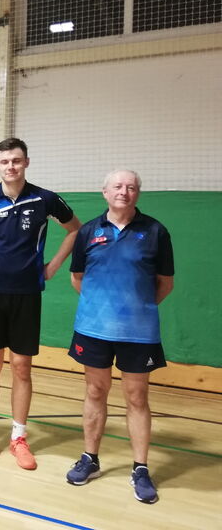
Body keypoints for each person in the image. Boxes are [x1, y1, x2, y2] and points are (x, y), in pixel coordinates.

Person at [0, 138, 80, 470]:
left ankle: (19, 437)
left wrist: (53, 266)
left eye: (16, 161)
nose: (11, 166)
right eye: (5, 161)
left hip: (27, 294)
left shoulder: (45, 199)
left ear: (26, 163)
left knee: (21, 367)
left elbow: (75, 230)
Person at [65, 170, 174, 504]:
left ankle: (140, 468)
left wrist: (135, 308)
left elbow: (165, 283)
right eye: (117, 186)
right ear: (105, 192)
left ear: (138, 193)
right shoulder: (88, 231)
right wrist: (103, 308)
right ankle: (90, 459)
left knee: (137, 397)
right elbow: (77, 278)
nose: (124, 191)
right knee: (95, 391)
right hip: (93, 329)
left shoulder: (156, 231)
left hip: (139, 332)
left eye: (130, 187)